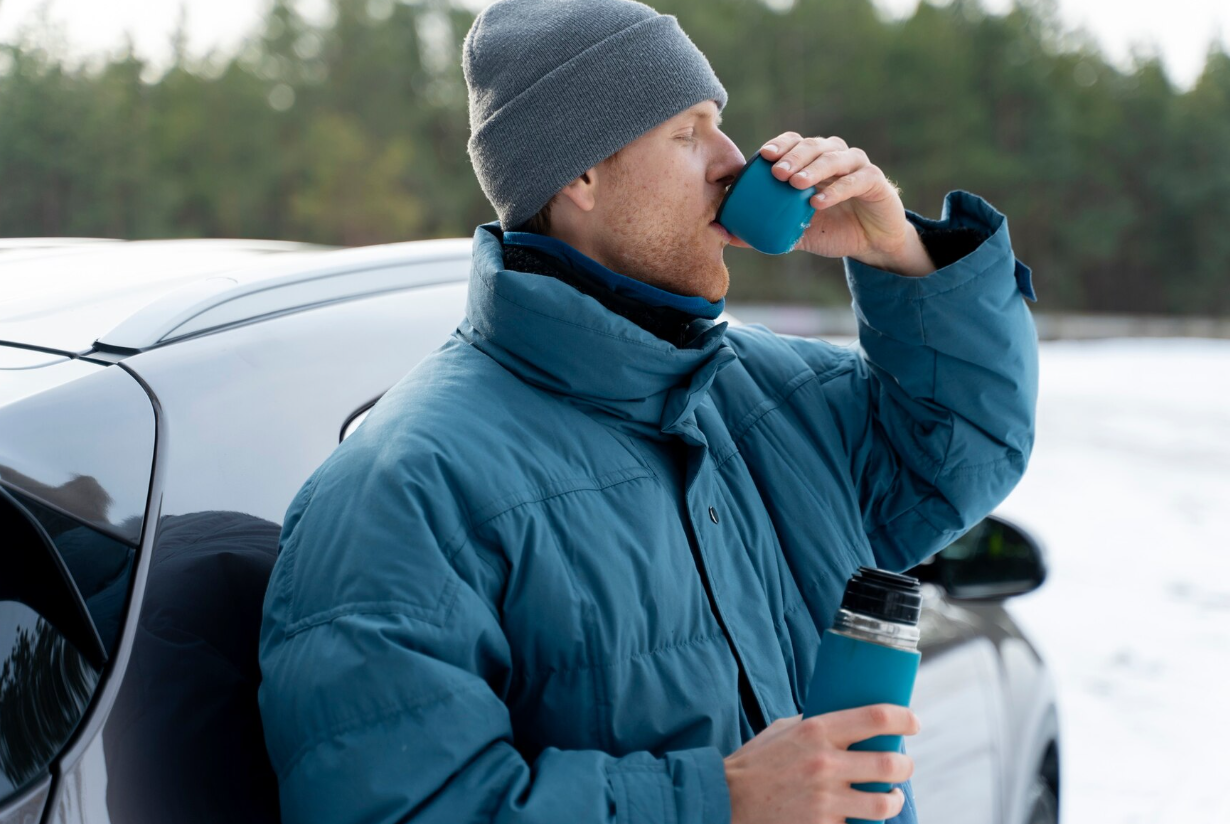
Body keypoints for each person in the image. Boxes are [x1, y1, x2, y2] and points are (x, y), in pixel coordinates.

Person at [256, 0, 1039, 822]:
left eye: (722, 124)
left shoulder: (769, 397)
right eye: (688, 131)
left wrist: (903, 259)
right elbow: (400, 808)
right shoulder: (407, 491)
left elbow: (963, 453)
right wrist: (719, 803)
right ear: (580, 175)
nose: (735, 162)